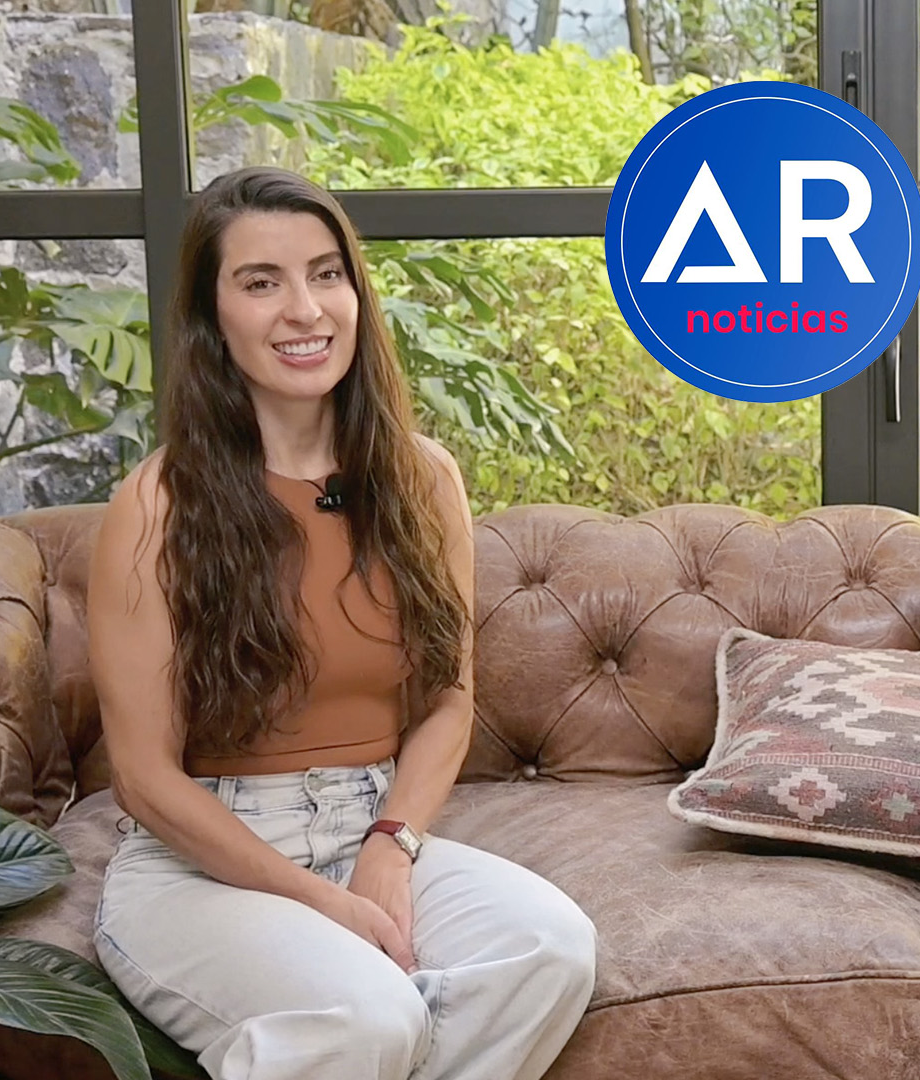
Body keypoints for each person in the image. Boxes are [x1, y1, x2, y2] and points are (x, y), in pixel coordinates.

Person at [86, 166, 596, 1080]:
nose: (304, 309)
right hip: (203, 862)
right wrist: (319, 903)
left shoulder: (422, 479)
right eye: (261, 282)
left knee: (548, 950)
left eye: (327, 274)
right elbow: (144, 778)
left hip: (372, 822)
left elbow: (447, 701)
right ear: (211, 316)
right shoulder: (159, 502)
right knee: (367, 1018)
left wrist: (391, 847)